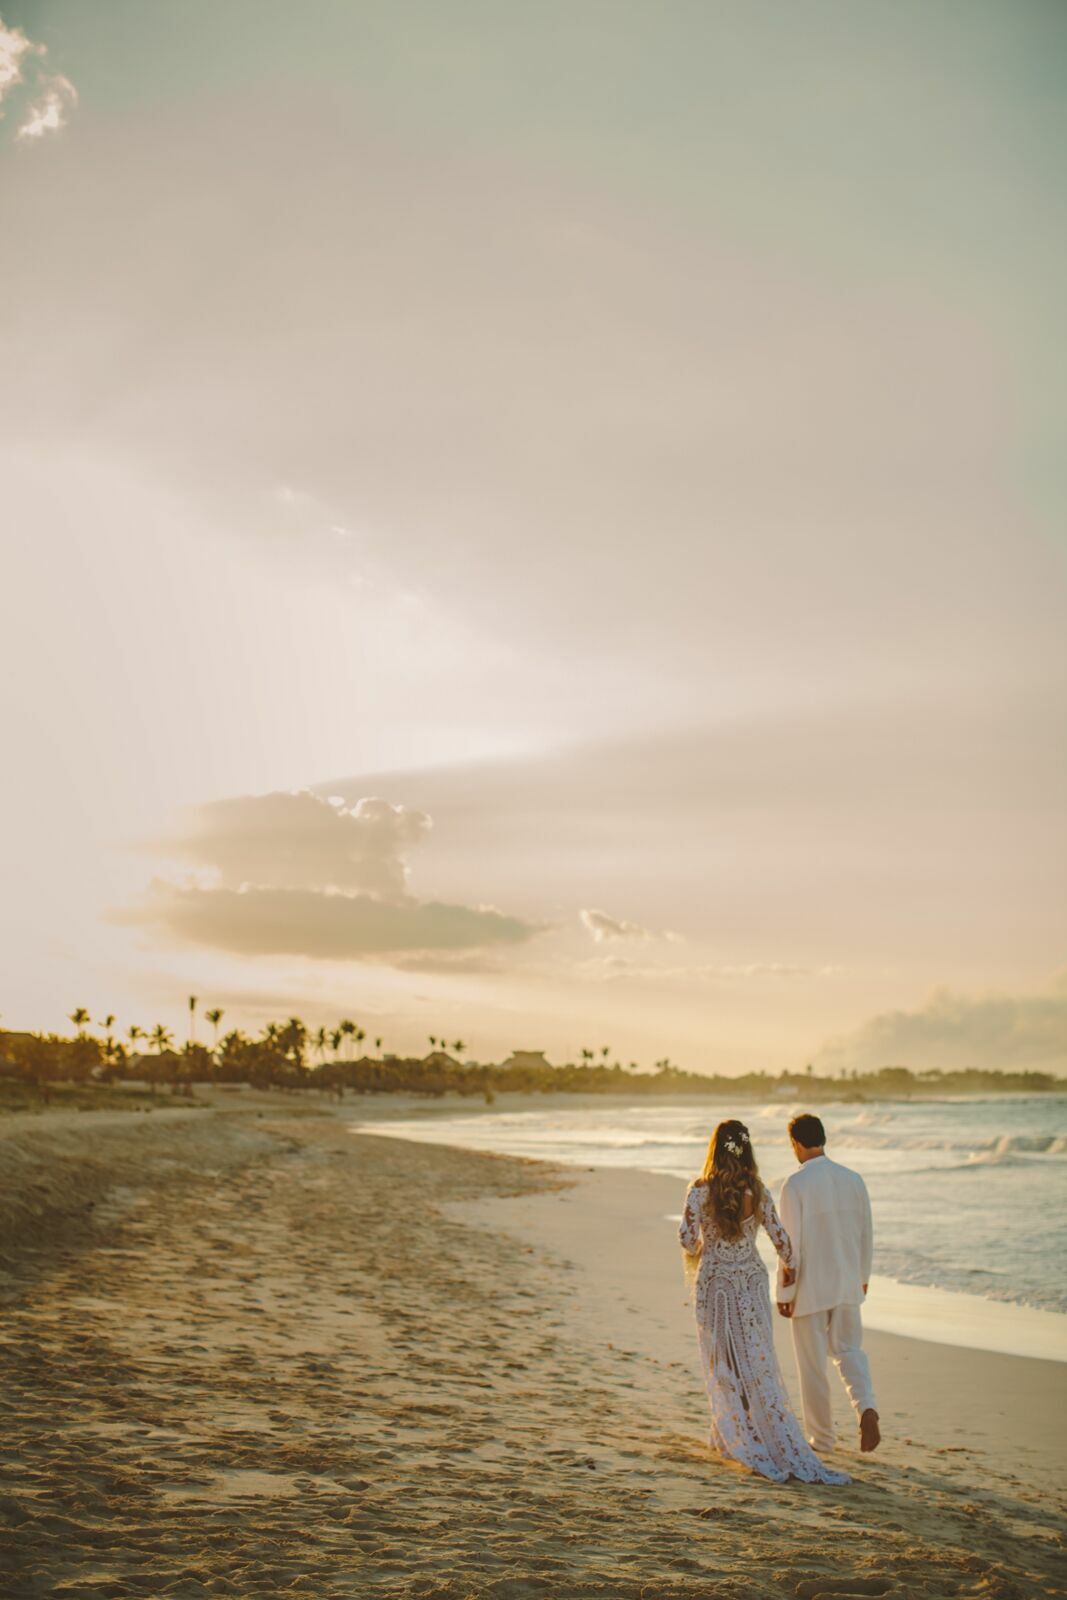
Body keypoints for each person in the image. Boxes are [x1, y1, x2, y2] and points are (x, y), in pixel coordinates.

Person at [678, 1119, 850, 1484]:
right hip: (750, 1282)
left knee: (721, 1358)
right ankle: (749, 1431)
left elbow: (686, 1238)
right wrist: (790, 1271)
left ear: (714, 1149)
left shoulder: (699, 1191)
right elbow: (783, 1242)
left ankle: (731, 1433)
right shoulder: (757, 1190)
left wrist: (705, 1251)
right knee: (756, 1358)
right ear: (747, 1149)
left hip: (715, 1283)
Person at [774, 1112, 880, 1454]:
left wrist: (784, 1291)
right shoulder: (853, 1179)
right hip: (848, 1280)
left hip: (810, 1286)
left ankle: (822, 1439)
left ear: (796, 1143)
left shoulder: (795, 1184)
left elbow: (790, 1245)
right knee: (849, 1350)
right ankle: (866, 1408)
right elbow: (866, 1233)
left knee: (812, 1364)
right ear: (822, 1138)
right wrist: (863, 1278)